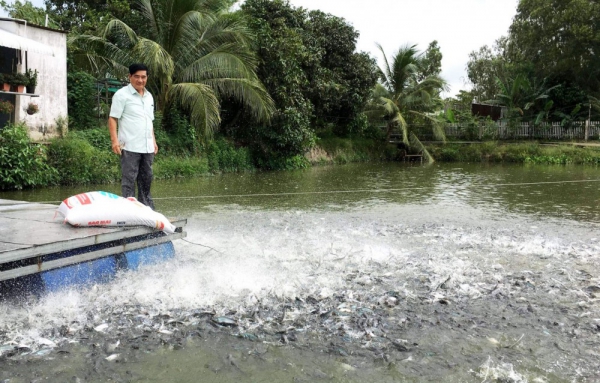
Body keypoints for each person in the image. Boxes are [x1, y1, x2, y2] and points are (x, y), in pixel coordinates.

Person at [108, 63, 158, 210]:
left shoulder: (149, 97)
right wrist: (114, 141)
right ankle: (129, 212)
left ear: (147, 77)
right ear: (130, 77)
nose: (140, 80)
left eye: (143, 77)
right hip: (129, 146)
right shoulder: (122, 95)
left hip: (147, 147)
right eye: (136, 76)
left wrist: (154, 141)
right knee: (129, 180)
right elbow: (112, 118)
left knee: (146, 179)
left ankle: (147, 211)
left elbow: (149, 122)